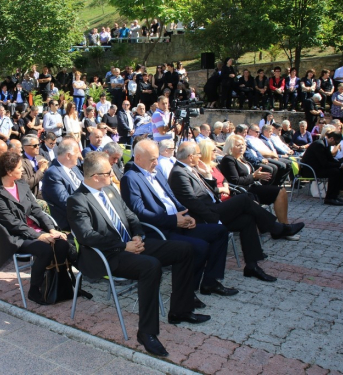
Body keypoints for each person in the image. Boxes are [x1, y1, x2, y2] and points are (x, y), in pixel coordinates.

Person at [67, 151, 208, 358]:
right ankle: (147, 333)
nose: (113, 175)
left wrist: (138, 236)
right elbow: (88, 236)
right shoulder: (77, 200)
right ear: (95, 176)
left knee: (184, 249)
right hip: (107, 255)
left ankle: (180, 310)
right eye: (108, 172)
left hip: (130, 245)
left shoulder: (110, 190)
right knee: (150, 266)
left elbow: (131, 217)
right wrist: (123, 246)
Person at [121, 139, 235, 300]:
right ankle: (186, 292)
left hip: (177, 222)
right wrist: (174, 220)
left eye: (156, 158)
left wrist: (186, 214)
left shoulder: (157, 172)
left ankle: (209, 281)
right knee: (199, 247)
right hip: (159, 230)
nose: (156, 162)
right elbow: (139, 213)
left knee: (220, 231)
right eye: (152, 159)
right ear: (138, 158)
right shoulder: (131, 178)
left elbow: (172, 197)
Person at [171, 140, 302, 280]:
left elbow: (209, 191)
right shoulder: (180, 172)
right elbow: (193, 202)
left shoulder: (190, 168)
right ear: (190, 156)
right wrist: (215, 220)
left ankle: (252, 266)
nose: (200, 156)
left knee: (247, 219)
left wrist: (208, 176)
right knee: (244, 199)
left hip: (214, 207)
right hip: (206, 215)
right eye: (198, 154)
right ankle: (277, 228)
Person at [0, 152, 69, 305]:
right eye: (19, 168)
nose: (22, 170)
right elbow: (11, 223)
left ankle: (56, 284)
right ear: (8, 171)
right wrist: (38, 236)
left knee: (63, 244)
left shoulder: (22, 184)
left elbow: (36, 210)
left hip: (33, 231)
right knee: (45, 250)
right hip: (14, 236)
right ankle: (34, 289)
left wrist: (51, 229)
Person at [219, 135, 296, 234]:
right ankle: (282, 230)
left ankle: (285, 224)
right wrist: (254, 176)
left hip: (252, 187)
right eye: (238, 145)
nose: (242, 147)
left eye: (243, 144)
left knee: (280, 191)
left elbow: (250, 175)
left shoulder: (241, 158)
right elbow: (235, 181)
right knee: (274, 192)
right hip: (242, 191)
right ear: (230, 147)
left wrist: (258, 176)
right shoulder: (228, 160)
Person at [41, 138, 83, 230]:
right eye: (77, 152)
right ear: (68, 155)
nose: (79, 155)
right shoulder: (52, 174)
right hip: (72, 221)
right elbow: (66, 202)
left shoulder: (74, 168)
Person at [301, 131, 343, 206]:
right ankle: (329, 198)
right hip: (310, 170)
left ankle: (335, 196)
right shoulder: (319, 144)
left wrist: (340, 164)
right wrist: (339, 164)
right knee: (335, 172)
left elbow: (330, 159)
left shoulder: (326, 144)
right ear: (332, 139)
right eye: (336, 143)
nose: (336, 145)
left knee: (339, 170)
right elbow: (325, 163)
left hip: (318, 168)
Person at [21, 134, 48, 199]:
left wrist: (47, 170)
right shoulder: (21, 162)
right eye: (35, 145)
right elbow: (27, 184)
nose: (38, 147)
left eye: (38, 145)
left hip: (48, 191)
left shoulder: (40, 158)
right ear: (25, 147)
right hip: (35, 196)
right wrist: (41, 170)